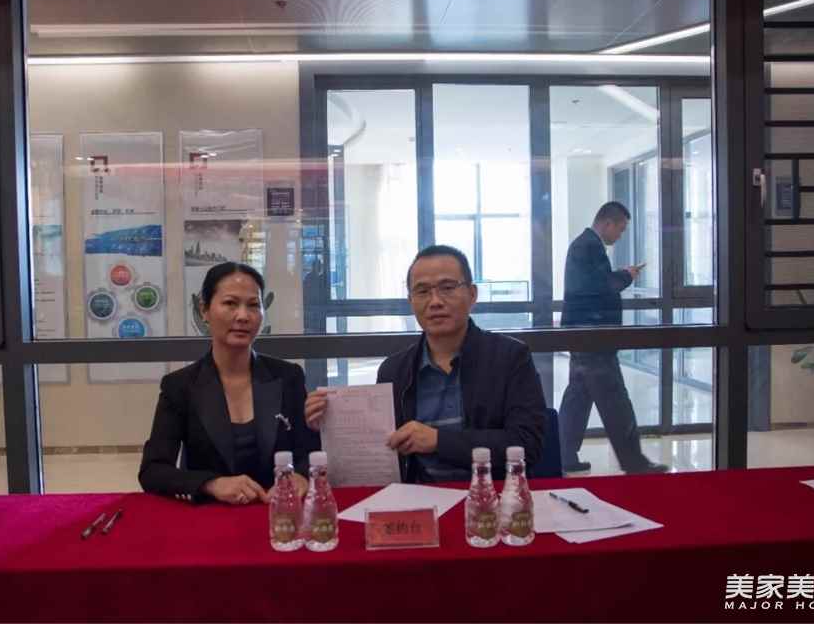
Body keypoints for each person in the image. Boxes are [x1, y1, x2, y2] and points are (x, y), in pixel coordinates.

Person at [305, 245, 546, 482]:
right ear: (410, 300)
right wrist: (330, 427)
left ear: (472, 294)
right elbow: (381, 450)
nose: (435, 301)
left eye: (447, 288)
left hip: (489, 495)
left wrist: (438, 441)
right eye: (422, 291)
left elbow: (527, 444)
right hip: (417, 498)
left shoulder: (510, 358)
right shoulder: (394, 370)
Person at [139, 262, 319, 504]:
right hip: (210, 516)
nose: (243, 316)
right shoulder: (180, 386)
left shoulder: (288, 377)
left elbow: (309, 453)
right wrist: (211, 484)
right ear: (204, 310)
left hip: (278, 513)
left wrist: (302, 476)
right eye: (230, 303)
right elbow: (153, 471)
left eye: (253, 305)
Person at [558, 202, 669, 475]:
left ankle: (562, 455)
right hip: (594, 338)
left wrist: (619, 275)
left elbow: (593, 284)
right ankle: (635, 462)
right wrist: (626, 276)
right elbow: (600, 286)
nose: (620, 235)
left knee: (577, 399)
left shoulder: (584, 245)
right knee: (615, 400)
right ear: (608, 223)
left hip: (583, 337)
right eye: (621, 228)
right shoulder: (589, 246)